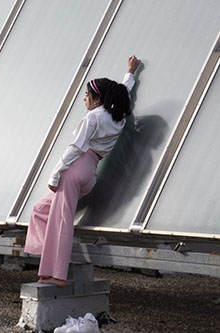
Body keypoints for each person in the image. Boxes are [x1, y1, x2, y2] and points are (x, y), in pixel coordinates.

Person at [24, 55, 141, 286]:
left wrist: (55, 174)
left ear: (98, 98)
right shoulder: (118, 115)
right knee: (40, 210)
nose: (85, 99)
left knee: (61, 221)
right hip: (90, 171)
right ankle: (46, 256)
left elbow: (75, 147)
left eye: (87, 95)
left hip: (75, 169)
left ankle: (56, 275)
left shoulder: (93, 117)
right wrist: (130, 71)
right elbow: (124, 89)